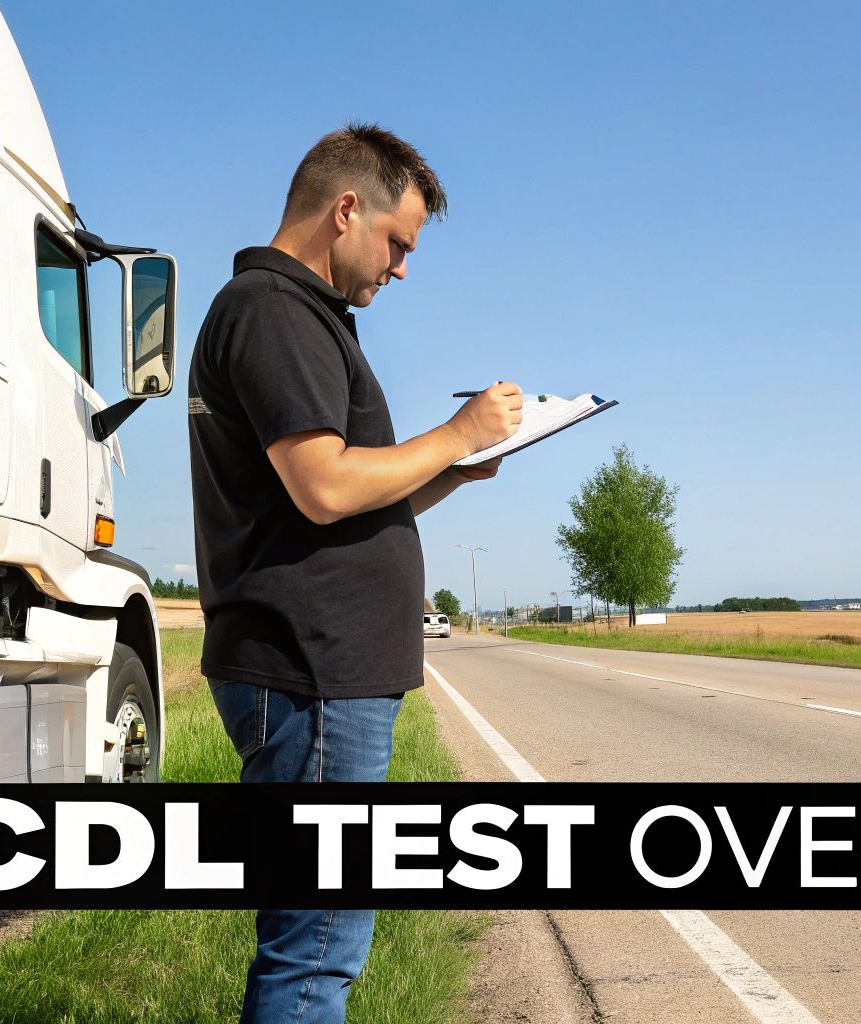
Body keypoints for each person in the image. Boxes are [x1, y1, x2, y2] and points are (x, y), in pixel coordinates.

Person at [186, 123, 521, 1024]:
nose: (402, 269)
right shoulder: (274, 311)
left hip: (321, 674)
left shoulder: (297, 316)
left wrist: (449, 469)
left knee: (318, 939)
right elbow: (326, 485)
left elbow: (350, 500)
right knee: (317, 952)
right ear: (345, 210)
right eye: (398, 243)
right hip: (312, 674)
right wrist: (453, 434)